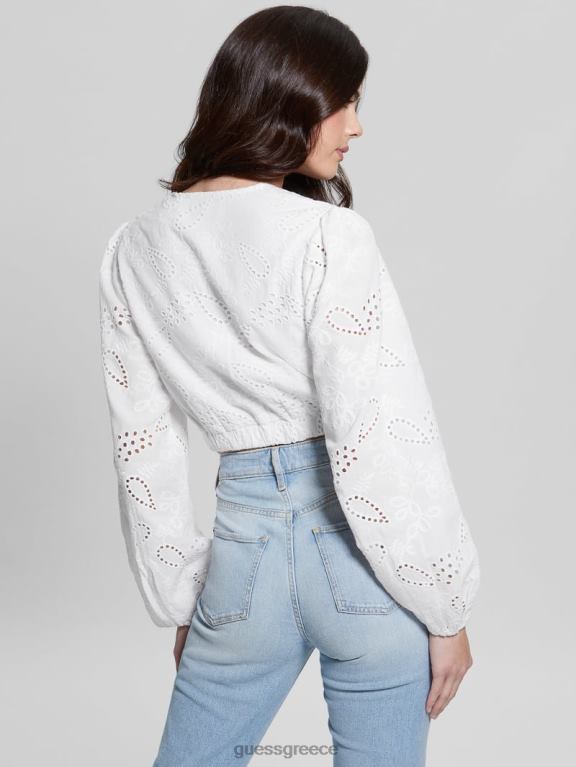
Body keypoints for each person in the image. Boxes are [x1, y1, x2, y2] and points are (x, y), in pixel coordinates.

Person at [98, 6, 480, 766]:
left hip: (241, 568)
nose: (356, 127)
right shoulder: (330, 235)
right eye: (345, 103)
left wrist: (184, 598)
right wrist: (445, 605)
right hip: (363, 563)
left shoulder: (132, 249)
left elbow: (143, 447)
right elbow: (379, 429)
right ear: (288, 99)